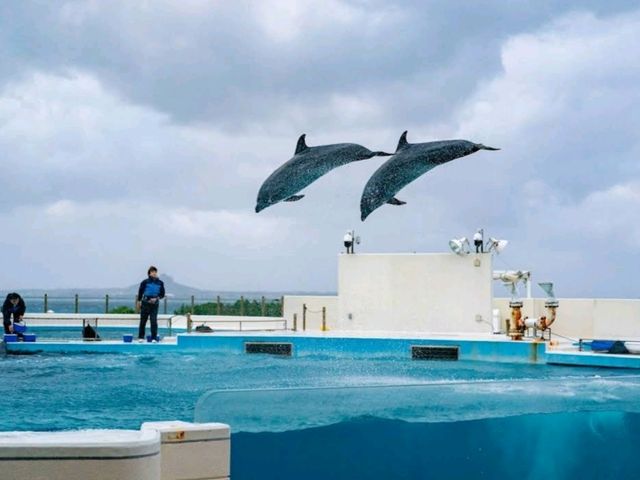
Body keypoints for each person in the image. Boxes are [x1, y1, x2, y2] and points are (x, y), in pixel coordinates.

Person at [137, 266, 165, 342]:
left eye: (155, 272)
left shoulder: (160, 283)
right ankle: (141, 337)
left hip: (154, 304)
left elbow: (162, 294)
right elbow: (140, 292)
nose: (154, 273)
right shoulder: (145, 282)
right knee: (143, 320)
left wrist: (156, 298)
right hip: (145, 303)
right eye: (152, 272)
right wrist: (139, 301)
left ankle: (154, 338)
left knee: (153, 321)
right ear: (149, 273)